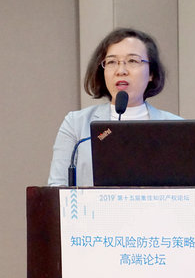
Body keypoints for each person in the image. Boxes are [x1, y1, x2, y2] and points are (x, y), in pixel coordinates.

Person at [48, 27, 182, 186]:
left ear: (151, 73)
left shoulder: (177, 128)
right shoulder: (77, 124)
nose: (121, 71)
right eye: (111, 62)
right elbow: (57, 187)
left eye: (132, 61)